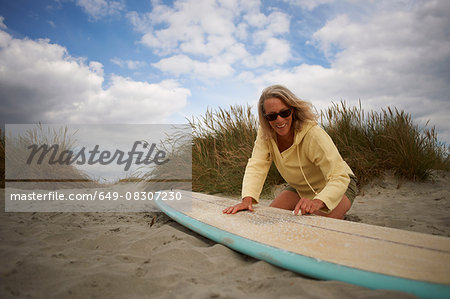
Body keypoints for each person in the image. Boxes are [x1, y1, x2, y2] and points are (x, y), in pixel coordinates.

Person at [222, 85, 358, 219]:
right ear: (265, 117)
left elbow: (339, 176)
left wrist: (317, 202)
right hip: (299, 188)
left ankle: (340, 215)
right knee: (269, 219)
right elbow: (257, 164)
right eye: (272, 116)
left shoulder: (314, 134)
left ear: (293, 110)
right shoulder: (265, 133)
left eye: (284, 113)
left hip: (339, 185)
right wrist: (247, 200)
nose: (279, 120)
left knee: (315, 227)